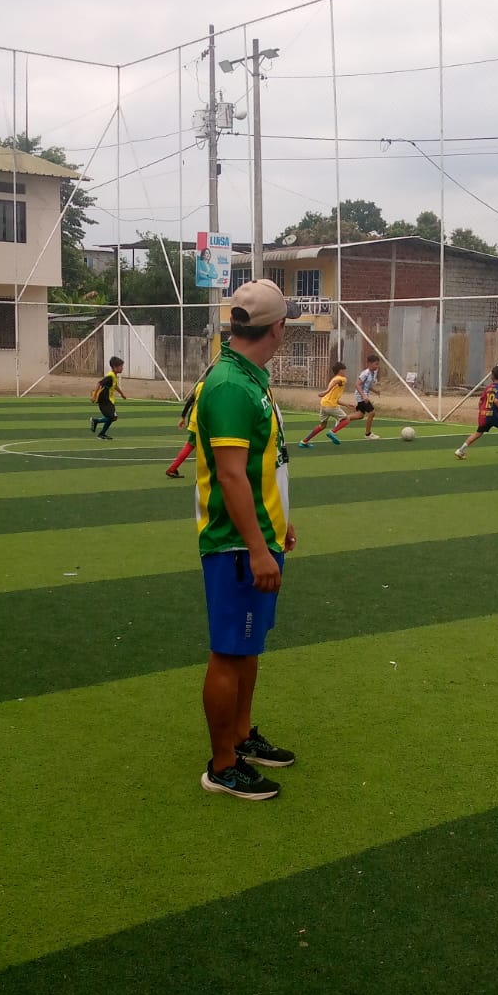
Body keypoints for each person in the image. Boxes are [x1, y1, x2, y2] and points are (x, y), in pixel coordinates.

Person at [195, 278, 298, 800]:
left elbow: (261, 465)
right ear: (277, 328)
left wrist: (280, 523)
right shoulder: (231, 386)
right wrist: (258, 547)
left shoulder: (247, 376)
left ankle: (240, 738)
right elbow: (231, 475)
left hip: (256, 535)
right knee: (229, 652)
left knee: (247, 647)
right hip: (236, 545)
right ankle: (222, 765)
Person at [456, 366, 498, 460]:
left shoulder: (487, 388)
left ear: (491, 377)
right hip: (494, 415)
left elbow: (480, 402)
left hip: (484, 415)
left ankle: (461, 450)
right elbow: (496, 401)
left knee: (478, 433)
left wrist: (482, 411)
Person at [298, 361, 352, 447]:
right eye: (344, 370)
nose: (345, 372)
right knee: (346, 419)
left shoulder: (333, 379)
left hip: (324, 404)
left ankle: (304, 442)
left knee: (322, 425)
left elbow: (335, 398)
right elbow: (337, 381)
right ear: (340, 370)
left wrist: (346, 405)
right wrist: (326, 391)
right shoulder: (342, 379)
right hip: (331, 406)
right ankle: (332, 432)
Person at [166, 373, 205, 478]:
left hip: (194, 420)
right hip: (203, 422)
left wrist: (183, 416)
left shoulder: (200, 386)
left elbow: (190, 401)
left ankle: (173, 468)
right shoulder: (215, 387)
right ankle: (172, 469)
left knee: (191, 445)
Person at [90, 355, 126, 440]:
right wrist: (94, 396)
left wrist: (122, 394)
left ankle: (101, 431)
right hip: (104, 401)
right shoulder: (110, 376)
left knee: (112, 417)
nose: (122, 368)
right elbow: (99, 383)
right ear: (115, 367)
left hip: (108, 400)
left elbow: (115, 385)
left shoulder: (114, 376)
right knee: (113, 417)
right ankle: (97, 423)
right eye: (121, 366)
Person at [346, 353, 382, 439]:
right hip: (360, 396)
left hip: (363, 396)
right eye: (375, 364)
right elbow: (357, 385)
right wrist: (364, 396)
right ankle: (368, 434)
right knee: (372, 412)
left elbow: (367, 386)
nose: (377, 366)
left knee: (360, 415)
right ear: (369, 364)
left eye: (378, 364)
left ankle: (342, 418)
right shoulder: (365, 373)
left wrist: (375, 391)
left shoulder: (373, 373)